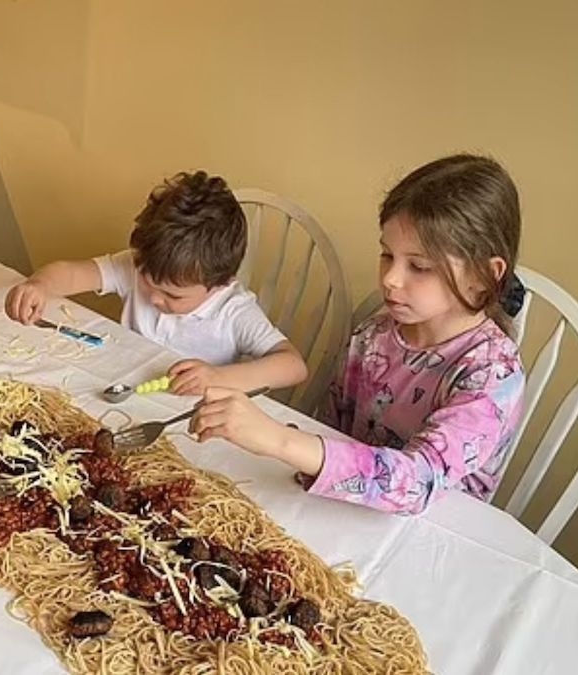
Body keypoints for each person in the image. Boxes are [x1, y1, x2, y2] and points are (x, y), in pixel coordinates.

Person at [192, 154, 525, 514]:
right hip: (343, 512)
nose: (390, 279)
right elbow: (332, 431)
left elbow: (419, 481)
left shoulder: (493, 374)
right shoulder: (374, 336)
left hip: (435, 538)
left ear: (485, 276)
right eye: (387, 255)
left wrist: (278, 439)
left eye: (419, 266)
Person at [4, 170, 307, 396]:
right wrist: (40, 285)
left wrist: (219, 377)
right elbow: (72, 272)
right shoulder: (138, 266)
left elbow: (293, 366)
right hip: (122, 391)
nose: (156, 300)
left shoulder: (233, 310)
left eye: (173, 296)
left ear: (220, 283)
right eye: (149, 284)